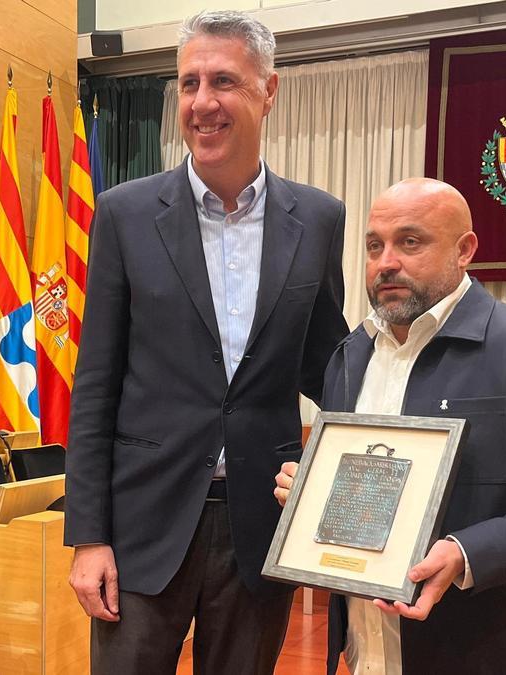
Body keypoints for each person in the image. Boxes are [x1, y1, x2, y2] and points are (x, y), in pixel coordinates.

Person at [65, 9, 350, 674]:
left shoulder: (317, 219)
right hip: (142, 526)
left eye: (224, 81)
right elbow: (95, 386)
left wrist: (407, 400)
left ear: (268, 91)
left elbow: (328, 366)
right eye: (188, 83)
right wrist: (88, 536)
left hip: (261, 524)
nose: (202, 103)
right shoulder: (125, 215)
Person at [275, 178, 506, 673]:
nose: (386, 262)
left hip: (483, 652)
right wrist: (315, 494)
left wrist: (466, 553)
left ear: (465, 251)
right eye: (374, 246)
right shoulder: (349, 357)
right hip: (364, 650)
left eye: (410, 242)